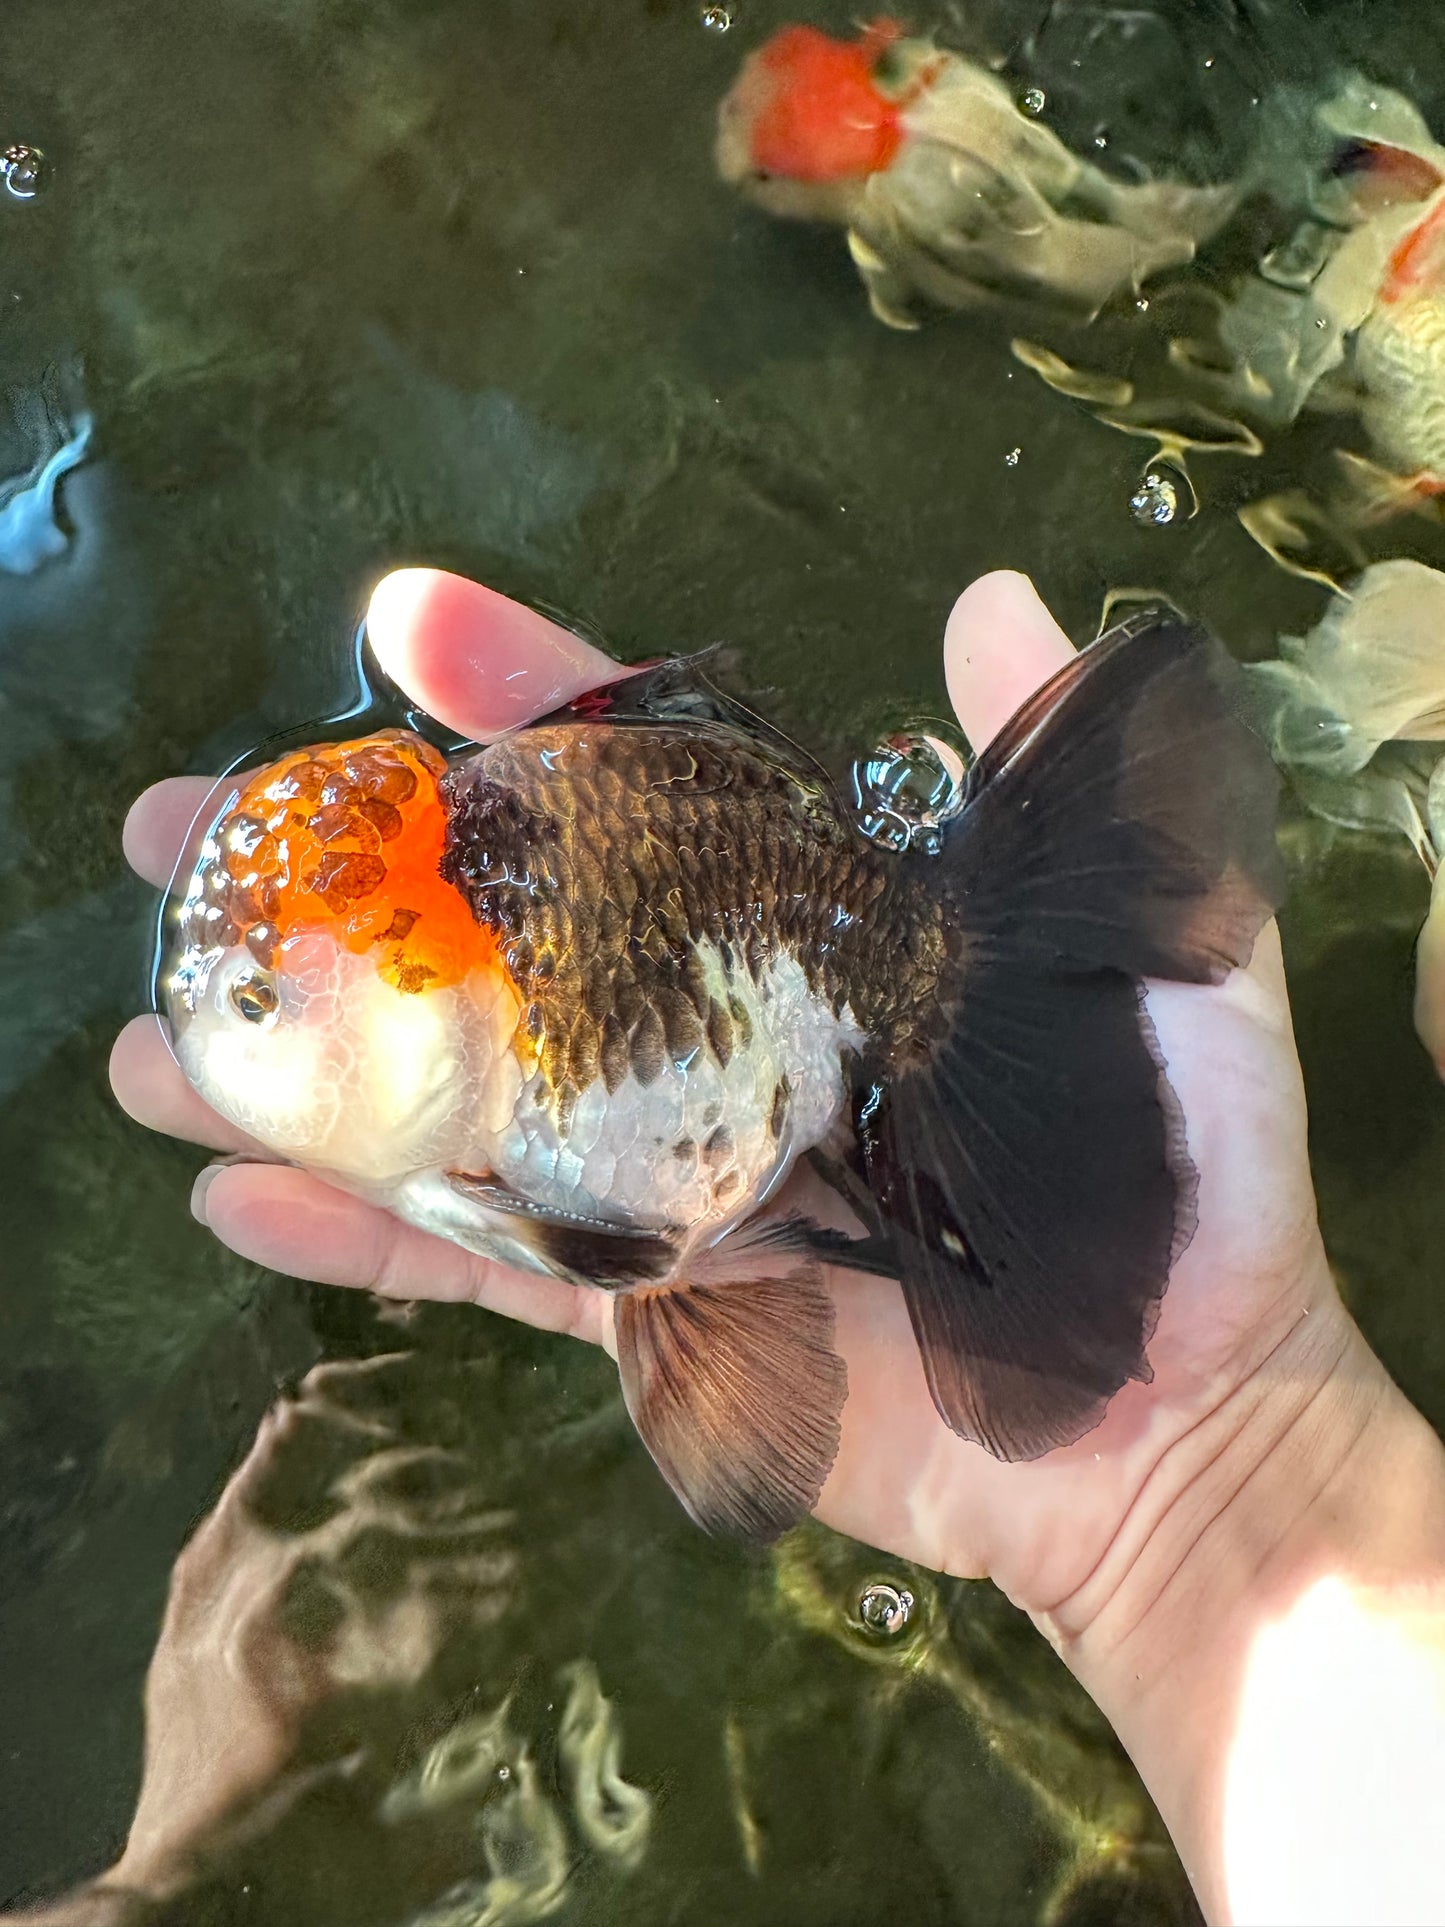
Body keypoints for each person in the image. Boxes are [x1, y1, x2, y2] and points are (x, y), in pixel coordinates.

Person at [109, 566, 1445, 1927]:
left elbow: (628, 1251)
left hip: (787, 1021)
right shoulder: (471, 1119)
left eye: (259, 1000)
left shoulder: (507, 1098)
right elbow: (641, 1272)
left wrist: (1231, 1477)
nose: (214, 1025)